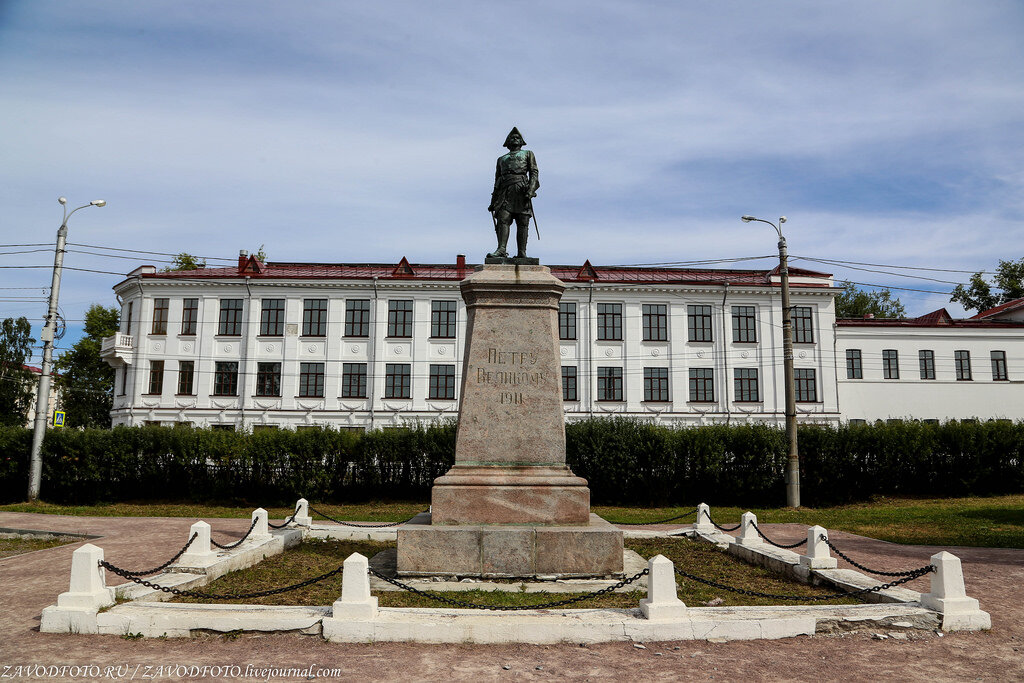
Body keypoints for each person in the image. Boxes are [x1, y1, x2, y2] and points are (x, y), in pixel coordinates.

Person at [487, 127, 538, 259]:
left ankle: (522, 252)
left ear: (521, 142)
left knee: (522, 220)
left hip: (521, 188)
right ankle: (501, 249)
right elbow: (496, 180)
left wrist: (531, 190)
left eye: (517, 137)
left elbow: (534, 172)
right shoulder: (501, 159)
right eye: (512, 137)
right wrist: (493, 201)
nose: (514, 139)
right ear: (507, 142)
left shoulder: (528, 154)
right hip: (504, 191)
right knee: (503, 218)